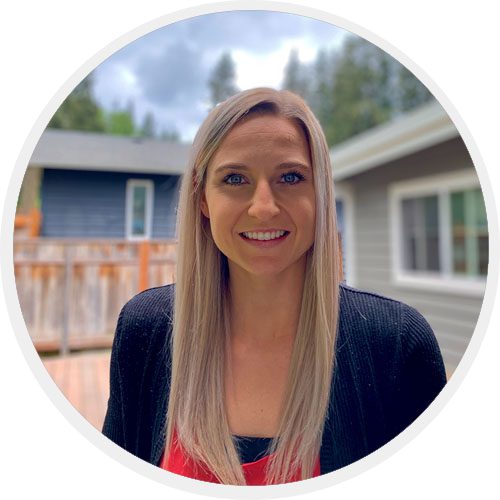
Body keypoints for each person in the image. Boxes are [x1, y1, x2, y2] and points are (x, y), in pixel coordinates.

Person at [102, 88, 446, 486]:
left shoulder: (396, 345)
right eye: (234, 178)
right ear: (203, 199)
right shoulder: (146, 331)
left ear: (318, 193)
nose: (263, 206)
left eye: (290, 177)